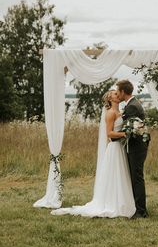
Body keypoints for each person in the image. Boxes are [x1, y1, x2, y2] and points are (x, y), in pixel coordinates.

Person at [51, 90, 136, 218]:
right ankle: (112, 203)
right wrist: (126, 134)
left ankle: (123, 202)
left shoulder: (121, 112)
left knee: (121, 174)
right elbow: (109, 134)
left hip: (121, 148)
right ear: (109, 99)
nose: (117, 94)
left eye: (117, 93)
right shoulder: (110, 113)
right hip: (114, 147)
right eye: (114, 94)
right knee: (114, 175)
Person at [116, 80, 149, 219]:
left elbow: (127, 129)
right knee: (135, 176)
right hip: (137, 145)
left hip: (137, 146)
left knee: (137, 177)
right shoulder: (132, 104)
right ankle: (136, 207)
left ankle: (141, 211)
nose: (117, 94)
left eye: (118, 91)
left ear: (123, 92)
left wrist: (113, 138)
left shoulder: (132, 107)